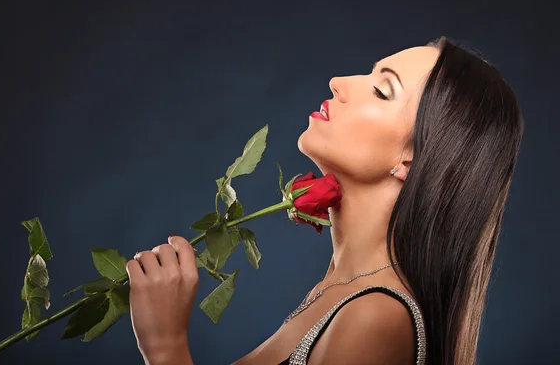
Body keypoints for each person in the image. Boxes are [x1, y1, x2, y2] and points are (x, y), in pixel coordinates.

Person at [124, 37, 524, 365]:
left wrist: (166, 349)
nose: (338, 81)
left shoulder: (376, 316)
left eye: (381, 90)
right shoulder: (337, 288)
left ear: (413, 159)